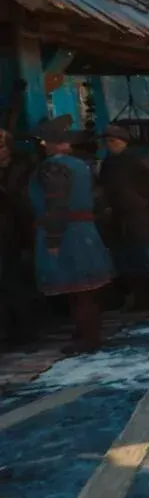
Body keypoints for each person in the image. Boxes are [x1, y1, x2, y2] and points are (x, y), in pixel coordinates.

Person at [28, 116, 115, 355]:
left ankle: (88, 337)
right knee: (83, 290)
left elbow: (56, 205)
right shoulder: (79, 164)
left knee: (79, 290)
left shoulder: (54, 168)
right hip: (81, 229)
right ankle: (86, 333)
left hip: (67, 231)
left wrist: (53, 238)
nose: (43, 144)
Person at [99, 124, 149, 318]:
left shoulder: (140, 159)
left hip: (144, 215)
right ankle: (143, 299)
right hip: (121, 217)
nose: (110, 145)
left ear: (123, 141)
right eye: (107, 142)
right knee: (131, 260)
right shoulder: (109, 163)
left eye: (112, 141)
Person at [0, 128, 39, 348]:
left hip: (18, 230)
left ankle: (26, 330)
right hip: (7, 231)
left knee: (18, 282)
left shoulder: (23, 168)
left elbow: (25, 201)